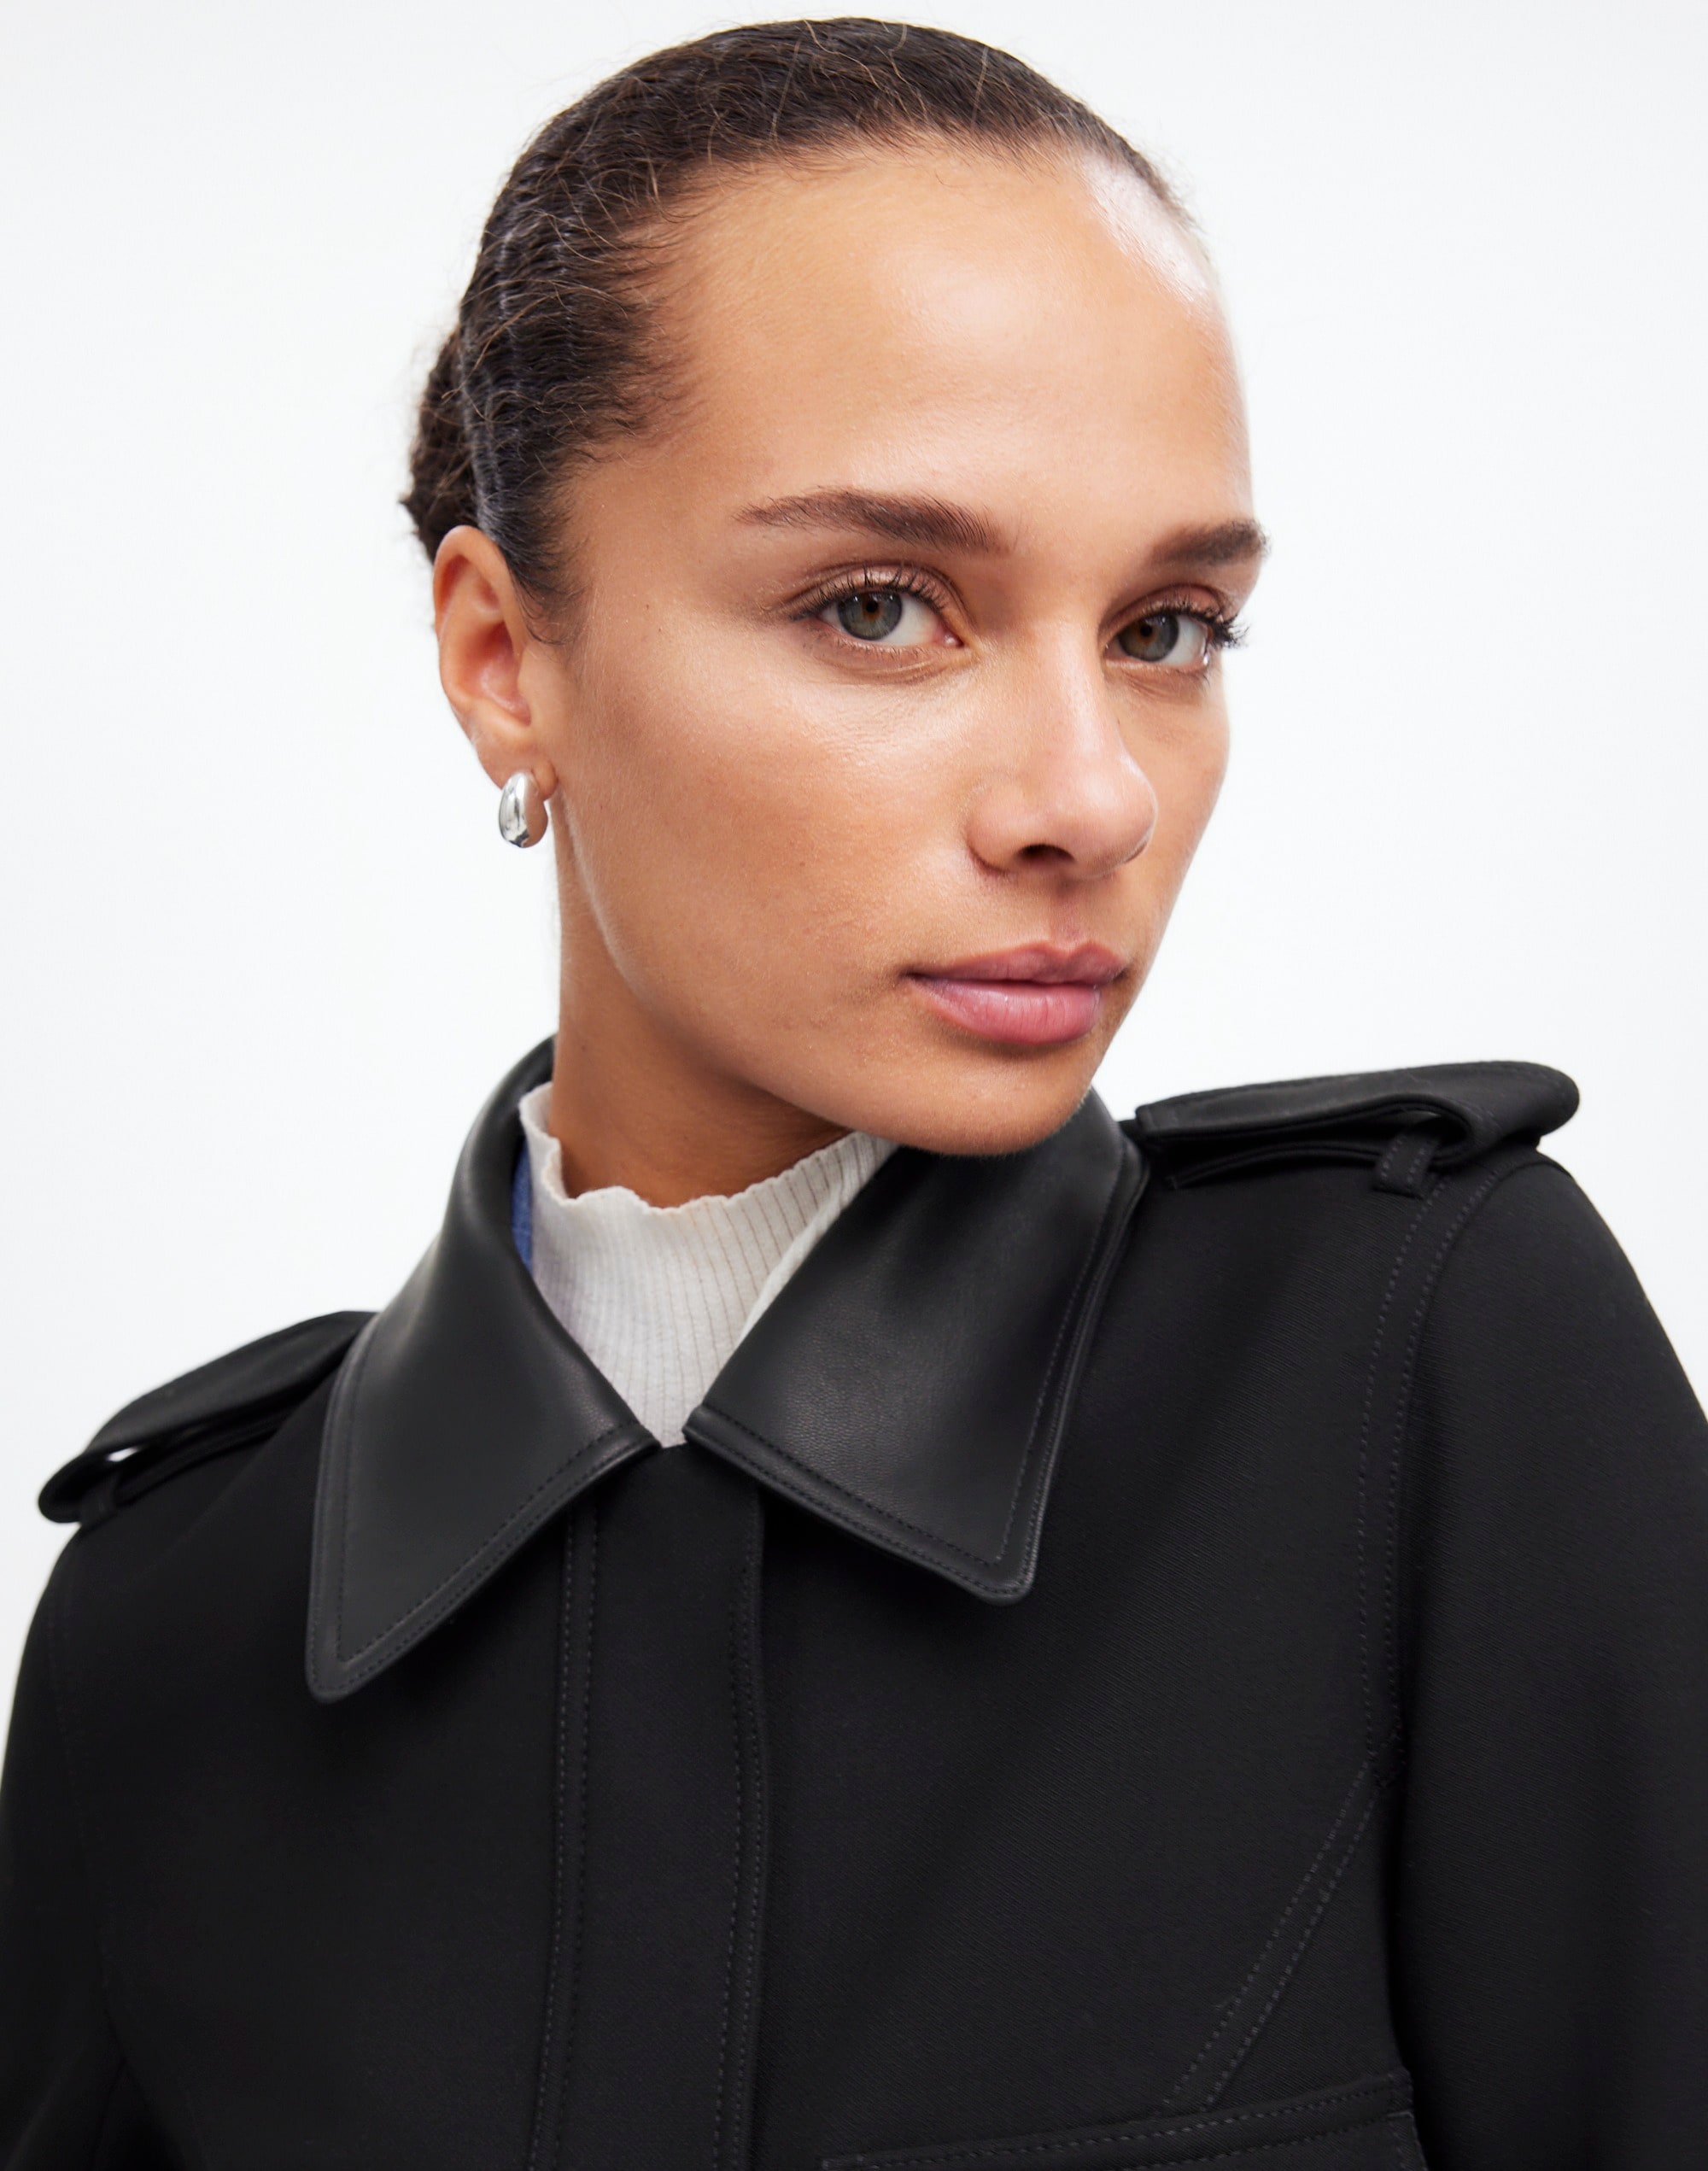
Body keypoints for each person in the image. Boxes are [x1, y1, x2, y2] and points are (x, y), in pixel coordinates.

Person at [2, 18, 1704, 2168]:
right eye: (881, 607)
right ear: (504, 658)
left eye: (1168, 627)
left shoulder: (1418, 1366)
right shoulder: (170, 1620)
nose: (1089, 795)